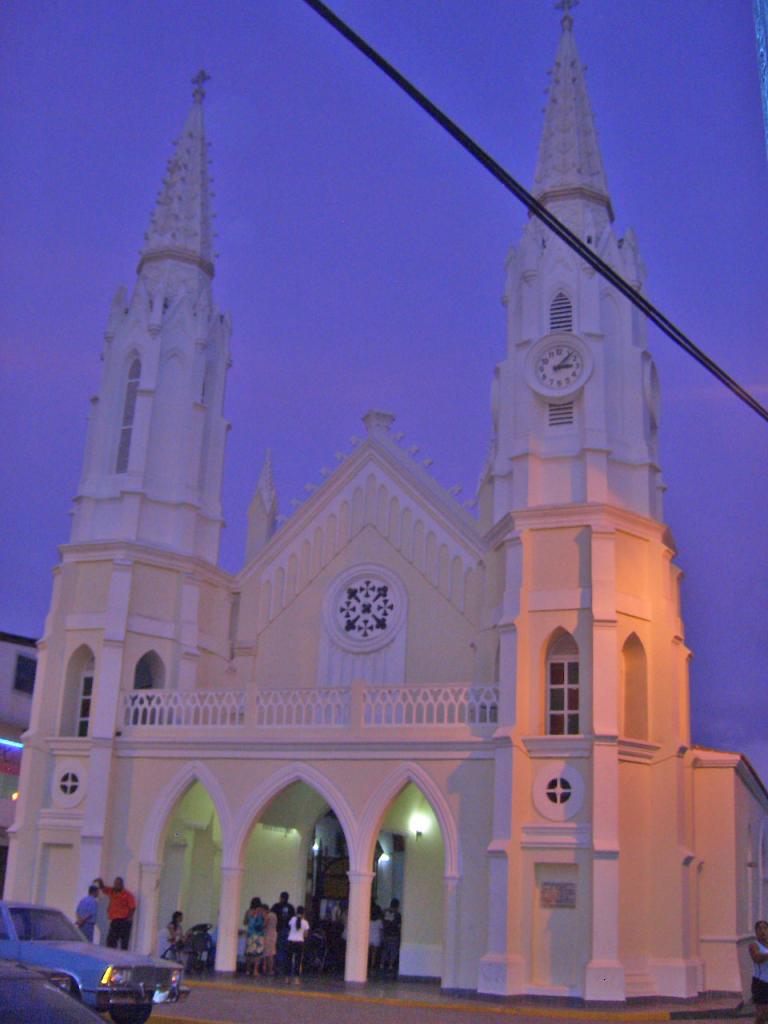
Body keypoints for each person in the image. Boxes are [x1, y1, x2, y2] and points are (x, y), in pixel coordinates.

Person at [95, 876, 137, 950]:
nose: (116, 885)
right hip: (115, 920)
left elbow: (132, 907)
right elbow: (104, 889)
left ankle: (123, 959)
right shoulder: (112, 891)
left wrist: (130, 918)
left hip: (124, 921)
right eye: (115, 884)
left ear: (122, 885)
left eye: (118, 884)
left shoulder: (128, 895)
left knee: (124, 943)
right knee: (111, 941)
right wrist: (100, 882)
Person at [270, 891, 295, 975]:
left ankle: (278, 969)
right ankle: (285, 969)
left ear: (281, 897)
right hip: (288, 931)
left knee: (278, 949)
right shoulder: (291, 907)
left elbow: (271, 916)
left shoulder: (276, 906)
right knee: (286, 950)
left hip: (279, 930)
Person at [750, 920, 768, 1024]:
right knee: (762, 1015)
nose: (763, 931)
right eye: (760, 929)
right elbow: (756, 958)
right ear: (756, 931)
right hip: (760, 983)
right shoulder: (754, 945)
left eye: (765, 928)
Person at [286, 905, 310, 983]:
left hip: (290, 941)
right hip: (299, 942)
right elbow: (306, 935)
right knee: (298, 961)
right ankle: (296, 979)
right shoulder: (305, 922)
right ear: (304, 913)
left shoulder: (292, 919)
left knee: (288, 960)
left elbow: (289, 929)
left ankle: (287, 978)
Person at [243, 897, 266, 976]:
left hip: (250, 934)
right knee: (258, 953)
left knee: (249, 953)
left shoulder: (248, 912)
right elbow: (265, 922)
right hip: (259, 934)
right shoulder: (262, 912)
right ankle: (255, 970)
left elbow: (245, 922)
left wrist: (251, 920)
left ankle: (248, 970)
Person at [380, 898, 402, 977]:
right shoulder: (397, 914)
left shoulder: (385, 912)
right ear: (397, 906)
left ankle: (382, 964)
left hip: (385, 934)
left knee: (385, 950)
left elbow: (382, 922)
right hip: (394, 934)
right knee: (393, 950)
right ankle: (390, 965)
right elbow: (399, 926)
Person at [262, 904, 278, 976]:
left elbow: (265, 925)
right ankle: (269, 969)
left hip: (268, 935)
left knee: (268, 953)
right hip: (273, 934)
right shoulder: (274, 915)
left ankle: (269, 970)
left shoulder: (268, 915)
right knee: (271, 953)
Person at [368, 902, 382, 972]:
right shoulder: (379, 921)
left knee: (369, 951)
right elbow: (381, 929)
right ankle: (372, 965)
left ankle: (367, 963)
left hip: (369, 936)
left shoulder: (368, 920)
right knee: (374, 953)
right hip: (376, 937)